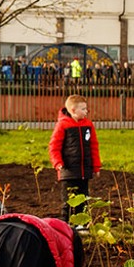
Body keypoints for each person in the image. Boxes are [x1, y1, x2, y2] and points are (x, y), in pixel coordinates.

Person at [48, 94, 101, 223]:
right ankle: (66, 225)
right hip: (68, 171)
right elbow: (54, 146)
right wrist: (58, 163)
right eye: (83, 109)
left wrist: (96, 166)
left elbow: (93, 146)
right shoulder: (63, 125)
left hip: (84, 171)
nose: (86, 111)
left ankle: (82, 224)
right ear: (73, 110)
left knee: (84, 199)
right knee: (69, 200)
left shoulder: (88, 125)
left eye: (86, 108)